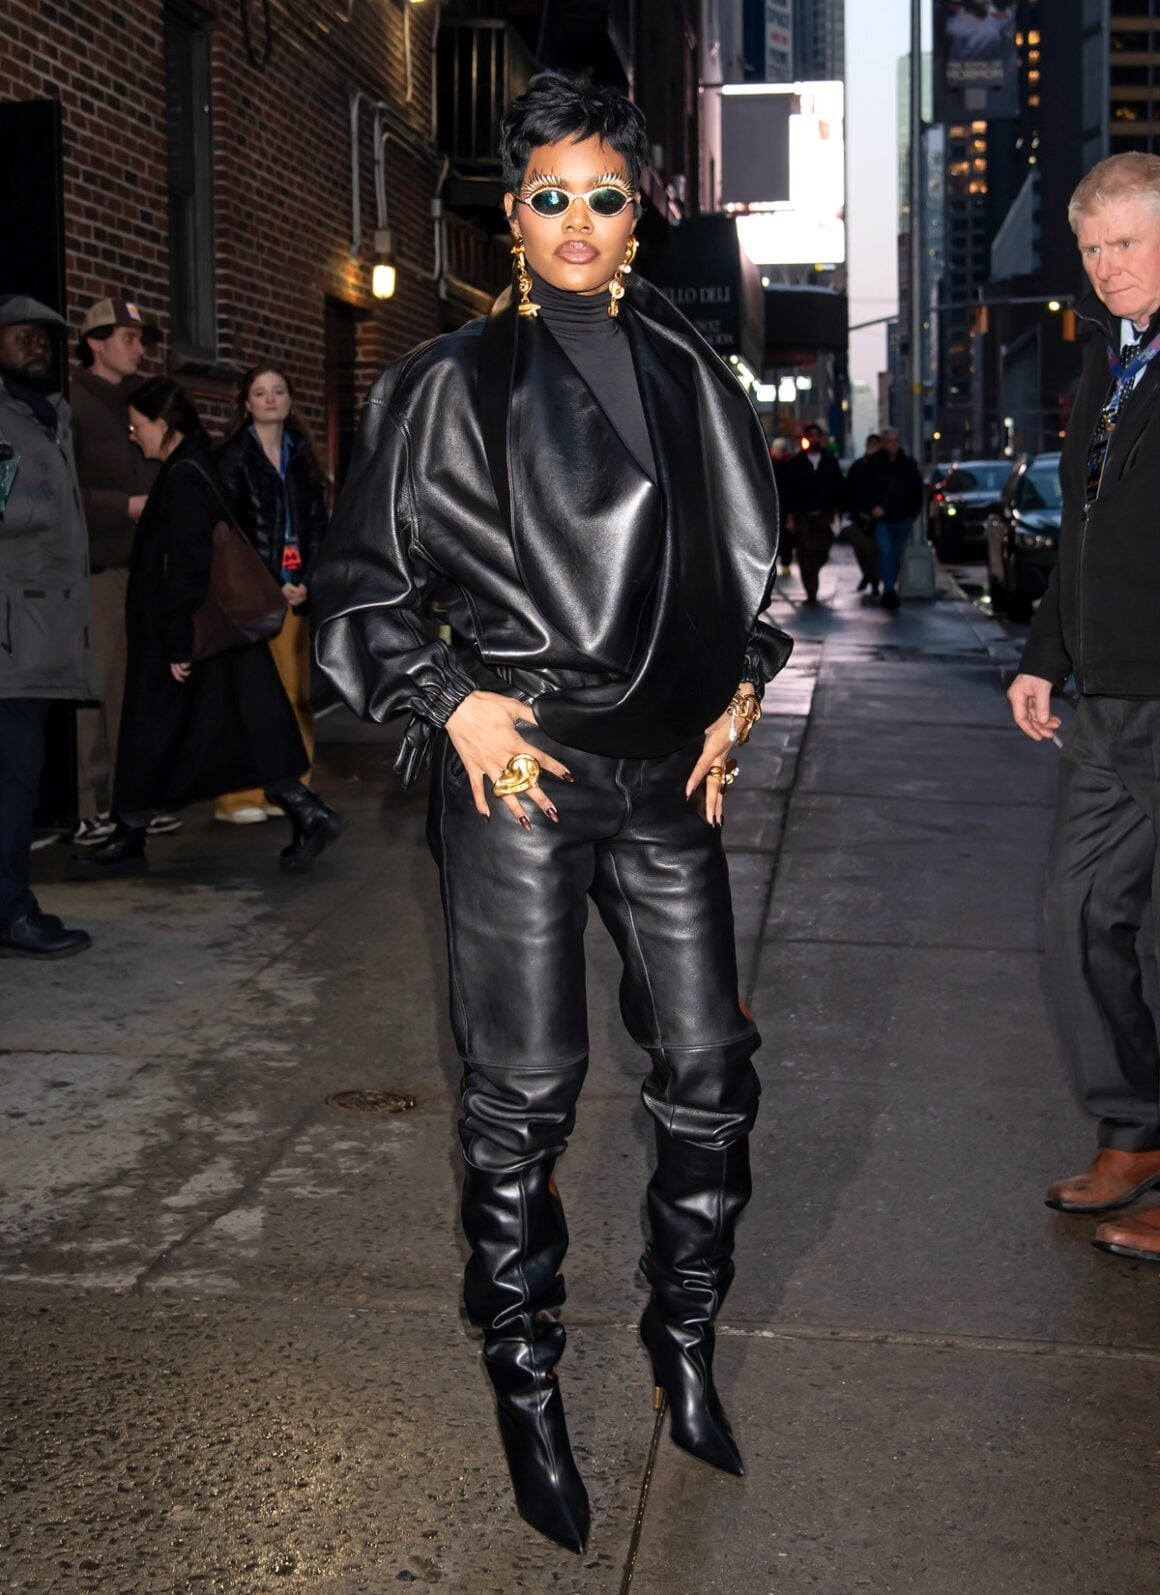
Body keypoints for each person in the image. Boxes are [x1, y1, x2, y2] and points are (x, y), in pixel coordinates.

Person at [312, 71, 790, 1553]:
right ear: (510, 216)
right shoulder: (443, 381)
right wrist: (451, 701)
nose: (577, 221)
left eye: (605, 195)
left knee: (709, 1062)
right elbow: (361, 589)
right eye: (548, 196)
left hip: (665, 774)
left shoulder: (696, 371)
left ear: (638, 215)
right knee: (525, 1091)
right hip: (523, 768)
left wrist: (742, 691)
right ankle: (528, 1377)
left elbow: (748, 577)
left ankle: (683, 1336)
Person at [1009, 152, 1160, 1264]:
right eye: (1092, 247)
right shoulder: (1111, 370)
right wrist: (1042, 655)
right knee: (1071, 916)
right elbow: (1084, 535)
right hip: (1106, 698)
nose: (1106, 265)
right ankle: (1135, 1129)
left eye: (1126, 242)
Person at [67, 378, 346, 880]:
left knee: (182, 732)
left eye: (139, 426)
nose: (134, 436)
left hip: (193, 635)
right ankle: (133, 831)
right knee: (205, 732)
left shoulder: (187, 475)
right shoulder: (193, 465)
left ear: (164, 424)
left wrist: (180, 642)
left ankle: (305, 812)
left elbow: (190, 564)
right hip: (204, 634)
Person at [0, 295, 94, 957]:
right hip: (9, 635)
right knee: (14, 779)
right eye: (21, 335)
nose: (38, 344)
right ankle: (11, 912)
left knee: (18, 778)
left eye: (46, 337)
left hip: (38, 634)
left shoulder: (48, 417)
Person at [69, 296, 182, 846]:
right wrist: (126, 507)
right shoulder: (74, 401)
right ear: (95, 342)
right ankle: (88, 805)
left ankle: (131, 798)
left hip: (145, 565)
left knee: (136, 686)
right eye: (128, 339)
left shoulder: (138, 401)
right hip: (100, 564)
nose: (139, 349)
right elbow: (58, 491)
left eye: (142, 340)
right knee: (96, 685)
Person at [214, 365, 333, 826]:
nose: (270, 399)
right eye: (260, 392)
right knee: (249, 696)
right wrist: (268, 580)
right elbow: (230, 533)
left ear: (289, 399)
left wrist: (311, 579)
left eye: (278, 391)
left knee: (296, 694)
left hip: (297, 591)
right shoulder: (232, 458)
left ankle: (293, 787)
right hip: (253, 596)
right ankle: (238, 795)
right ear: (245, 403)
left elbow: (317, 527)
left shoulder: (302, 457)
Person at [859, 426, 924, 610]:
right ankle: (889, 590)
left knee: (895, 556)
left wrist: (912, 514)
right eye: (890, 441)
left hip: (903, 518)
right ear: (884, 443)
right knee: (886, 553)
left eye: (896, 441)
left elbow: (917, 491)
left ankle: (890, 585)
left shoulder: (908, 464)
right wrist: (873, 508)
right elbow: (863, 489)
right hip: (883, 519)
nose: (894, 445)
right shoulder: (873, 464)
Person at [780, 421, 844, 604]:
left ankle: (812, 575)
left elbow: (838, 486)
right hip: (803, 515)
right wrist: (790, 516)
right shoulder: (797, 463)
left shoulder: (829, 461)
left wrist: (837, 509)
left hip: (824, 514)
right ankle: (811, 592)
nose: (814, 439)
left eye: (817, 436)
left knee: (822, 550)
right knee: (805, 552)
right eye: (811, 436)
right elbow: (789, 491)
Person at [843, 431, 882, 597]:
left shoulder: (883, 466)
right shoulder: (859, 466)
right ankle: (870, 577)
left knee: (874, 551)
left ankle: (873, 580)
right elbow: (850, 488)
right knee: (862, 550)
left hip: (877, 516)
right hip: (859, 515)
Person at [769, 436, 795, 576]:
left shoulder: (771, 465)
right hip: (778, 509)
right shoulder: (785, 465)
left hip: (779, 509)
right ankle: (784, 563)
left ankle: (784, 563)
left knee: (783, 539)